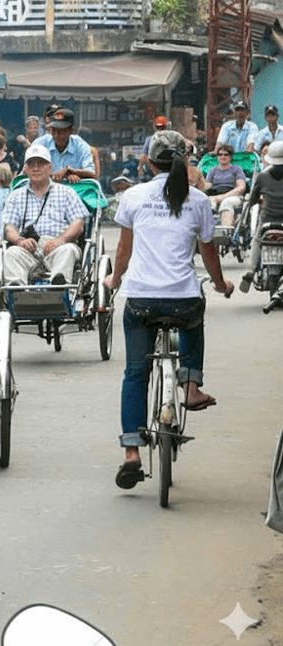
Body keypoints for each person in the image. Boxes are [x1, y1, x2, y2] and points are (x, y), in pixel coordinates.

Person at [104, 131, 234, 490]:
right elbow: (209, 253)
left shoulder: (132, 196)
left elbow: (123, 252)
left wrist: (115, 280)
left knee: (135, 373)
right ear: (186, 161)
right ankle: (190, 385)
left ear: (147, 162)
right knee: (196, 310)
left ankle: (131, 451)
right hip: (183, 299)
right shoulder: (198, 200)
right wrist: (222, 285)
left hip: (141, 301)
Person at [0, 145, 89, 286]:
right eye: (31, 164)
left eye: (40, 163)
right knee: (11, 253)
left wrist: (61, 240)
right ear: (26, 169)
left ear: (49, 167)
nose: (36, 168)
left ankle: (59, 287)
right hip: (28, 249)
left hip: (60, 247)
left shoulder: (67, 193)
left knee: (68, 250)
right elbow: (10, 227)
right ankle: (16, 292)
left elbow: (78, 224)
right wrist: (19, 241)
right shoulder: (15, 196)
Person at [240, 141, 283, 292]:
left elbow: (252, 199)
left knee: (257, 239)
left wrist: (256, 201)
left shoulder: (261, 177)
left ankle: (251, 270)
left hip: (267, 221)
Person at [33, 108, 97, 183]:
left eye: (61, 131)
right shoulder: (41, 143)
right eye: (53, 131)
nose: (56, 135)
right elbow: (28, 171)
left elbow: (92, 173)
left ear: (71, 130)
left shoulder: (81, 145)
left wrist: (72, 172)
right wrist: (59, 176)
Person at [203, 143, 247, 227]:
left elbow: (241, 187)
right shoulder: (213, 171)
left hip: (233, 196)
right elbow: (207, 186)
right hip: (215, 195)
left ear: (230, 156)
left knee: (226, 202)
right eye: (220, 155)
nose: (222, 157)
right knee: (206, 202)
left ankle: (225, 231)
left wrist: (223, 197)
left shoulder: (236, 169)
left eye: (226, 155)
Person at [138, 116, 170, 182]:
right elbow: (143, 157)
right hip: (154, 171)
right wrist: (141, 168)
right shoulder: (150, 139)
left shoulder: (172, 139)